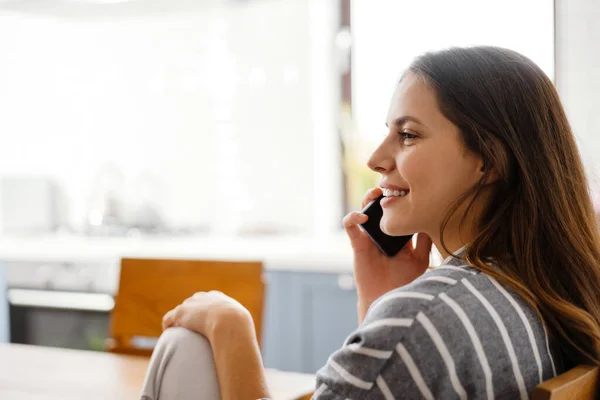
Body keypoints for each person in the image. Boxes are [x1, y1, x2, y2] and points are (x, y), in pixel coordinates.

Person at [140, 46, 600, 399]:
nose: (376, 159)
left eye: (408, 135)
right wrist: (382, 303)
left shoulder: (422, 320)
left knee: (188, 343)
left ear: (489, 162)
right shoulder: (540, 292)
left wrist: (231, 328)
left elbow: (407, 343)